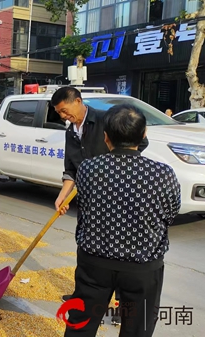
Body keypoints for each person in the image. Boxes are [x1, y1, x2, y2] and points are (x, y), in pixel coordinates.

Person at [63, 104, 181, 337]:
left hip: (94, 263)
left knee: (81, 325)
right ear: (144, 135)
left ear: (106, 138)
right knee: (137, 328)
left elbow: (84, 208)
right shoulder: (163, 173)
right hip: (142, 267)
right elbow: (169, 215)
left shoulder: (88, 169)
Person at [51, 86, 149, 319]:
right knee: (86, 244)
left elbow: (137, 145)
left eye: (65, 111)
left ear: (78, 101)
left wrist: (110, 168)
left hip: (115, 197)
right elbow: (71, 169)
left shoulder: (107, 120)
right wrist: (63, 195)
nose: (64, 116)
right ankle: (82, 294)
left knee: (118, 248)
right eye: (60, 114)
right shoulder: (70, 132)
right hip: (88, 199)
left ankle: (119, 303)